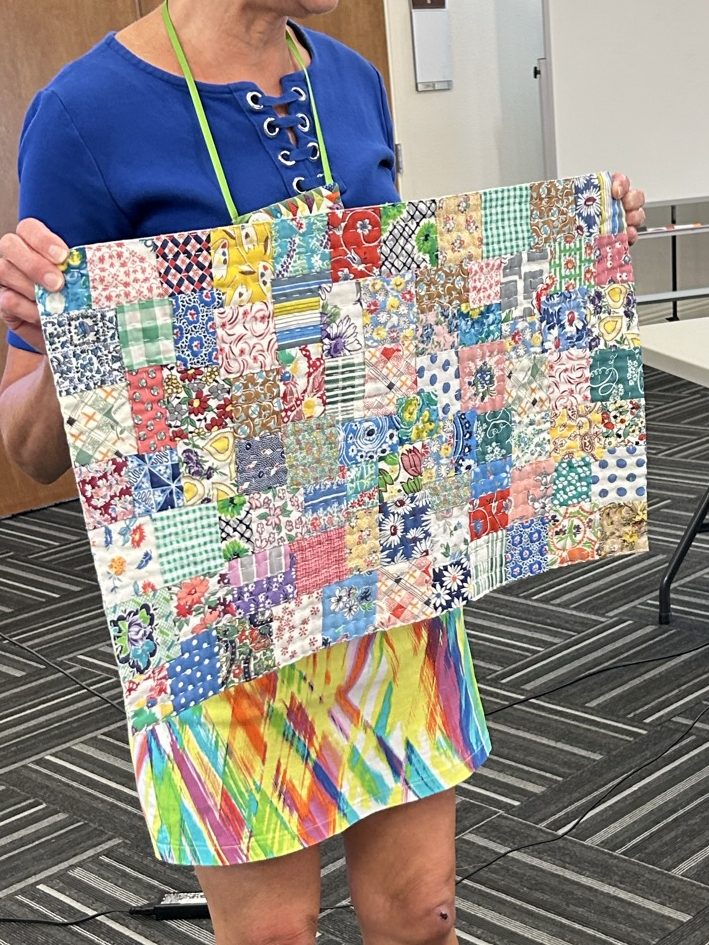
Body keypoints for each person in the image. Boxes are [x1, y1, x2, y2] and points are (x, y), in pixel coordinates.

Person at [0, 2, 647, 943]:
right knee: (275, 935)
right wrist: (86, 339)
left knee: (421, 916)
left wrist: (581, 246)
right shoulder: (84, 115)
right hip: (223, 612)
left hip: (390, 574)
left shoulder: (349, 81)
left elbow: (402, 315)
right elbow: (28, 447)